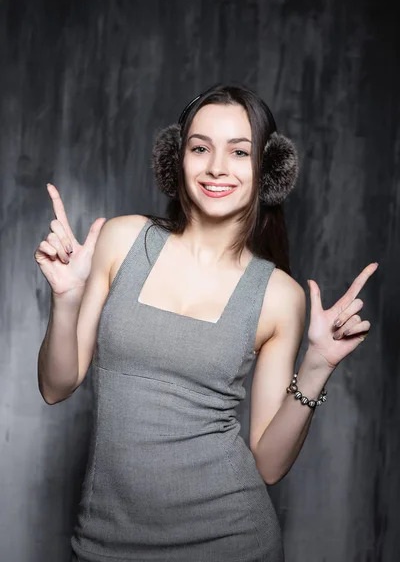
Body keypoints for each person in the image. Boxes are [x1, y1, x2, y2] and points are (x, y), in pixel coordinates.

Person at [35, 83, 377, 562]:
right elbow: (56, 386)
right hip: (104, 542)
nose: (217, 167)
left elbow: (270, 464)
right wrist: (66, 299)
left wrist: (318, 365)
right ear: (177, 159)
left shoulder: (279, 295)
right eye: (201, 148)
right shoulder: (122, 239)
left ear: (269, 169)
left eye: (240, 152)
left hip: (231, 543)